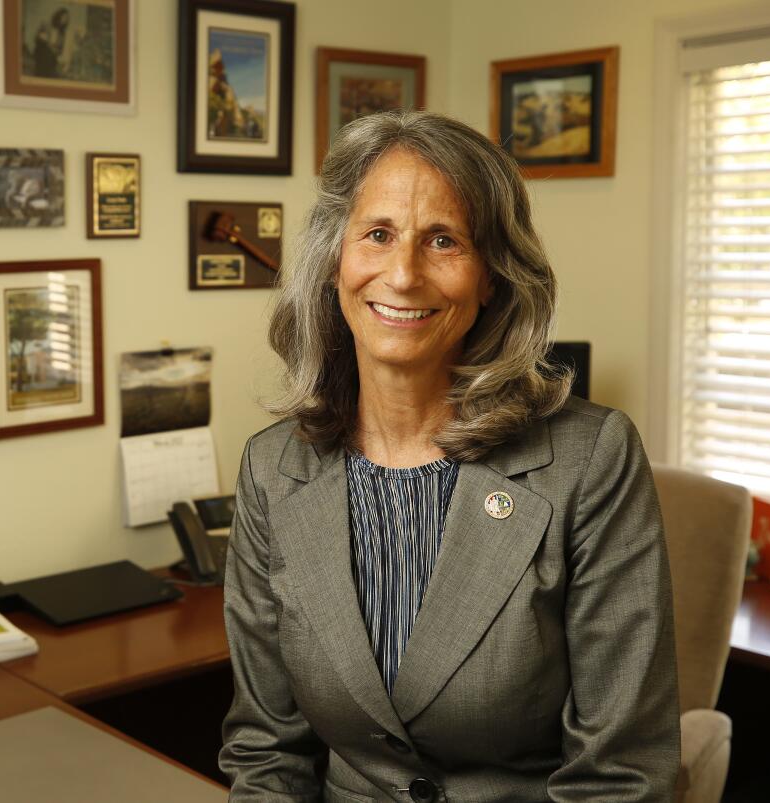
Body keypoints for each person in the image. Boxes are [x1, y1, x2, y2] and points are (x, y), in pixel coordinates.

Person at [219, 110, 679, 802]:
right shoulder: (271, 471)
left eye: (443, 240)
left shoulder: (590, 460)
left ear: (492, 275)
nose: (402, 274)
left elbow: (621, 776)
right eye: (377, 234)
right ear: (334, 262)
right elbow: (266, 753)